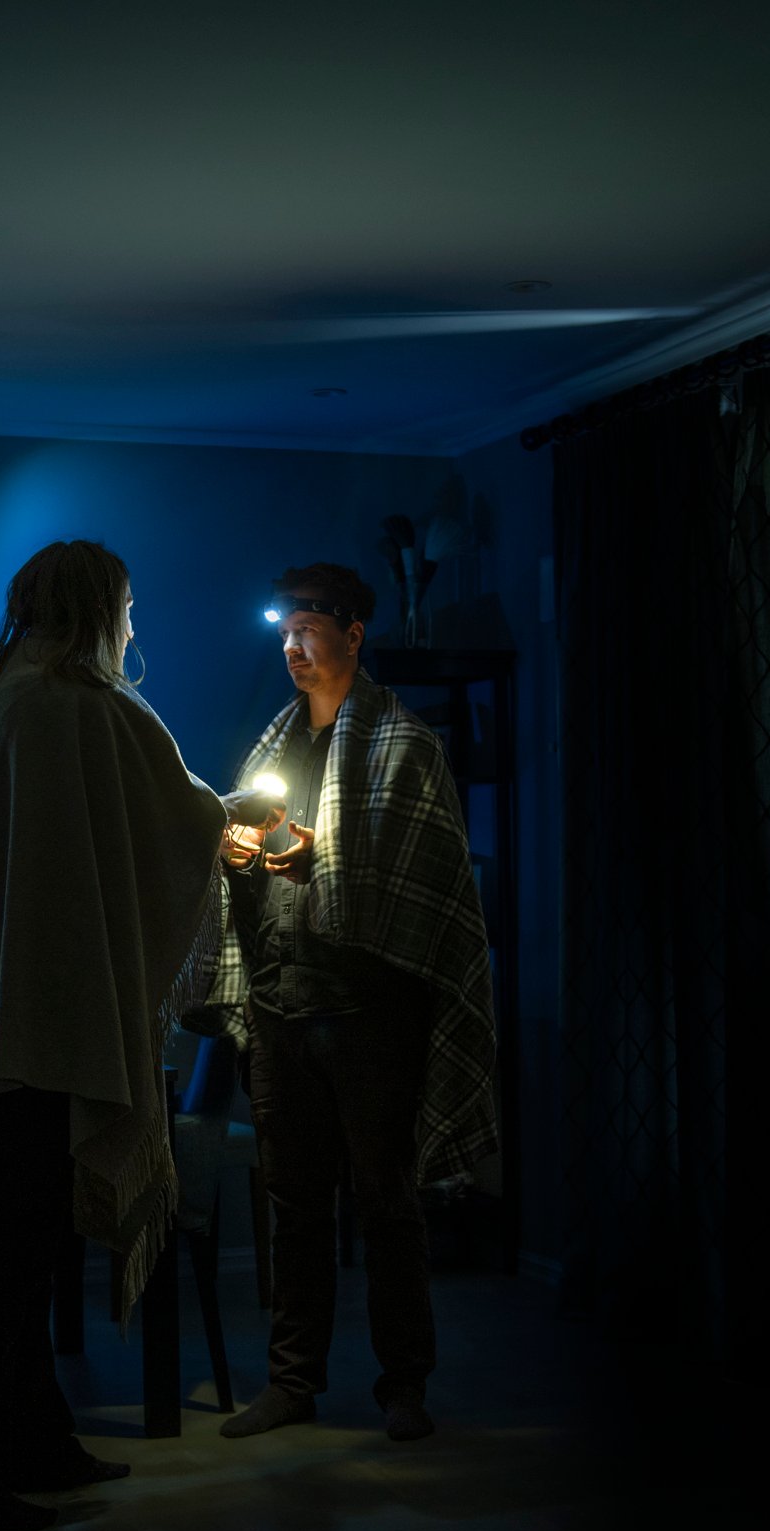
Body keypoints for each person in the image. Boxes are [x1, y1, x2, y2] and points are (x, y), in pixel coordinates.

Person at [0, 539, 282, 1531]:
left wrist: (203, 822)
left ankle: (34, 1443)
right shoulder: (72, 700)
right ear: (97, 607)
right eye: (124, 606)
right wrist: (231, 817)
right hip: (44, 1023)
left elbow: (122, 820)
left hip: (7, 1013)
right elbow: (168, 813)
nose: (132, 626)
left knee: (13, 1257)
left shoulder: (15, 694)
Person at [191, 562, 498, 1444]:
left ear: (353, 635)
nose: (291, 645)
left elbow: (420, 880)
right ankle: (295, 1381)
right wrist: (243, 849)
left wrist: (325, 856)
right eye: (282, 630)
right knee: (294, 1203)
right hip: (285, 1006)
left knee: (386, 1201)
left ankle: (405, 1383)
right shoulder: (273, 745)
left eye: (308, 629)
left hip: (370, 1015)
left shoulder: (405, 745)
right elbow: (242, 844)